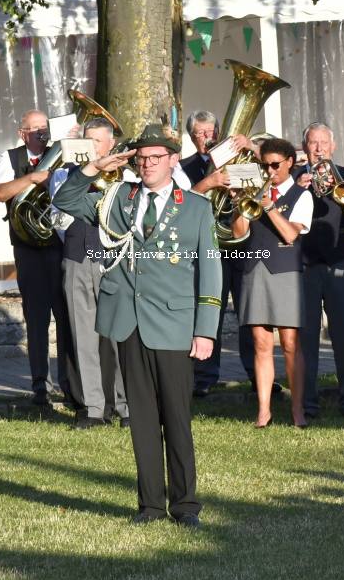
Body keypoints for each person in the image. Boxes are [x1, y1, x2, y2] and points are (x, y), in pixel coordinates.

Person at [52, 122, 222, 529]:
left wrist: (205, 330)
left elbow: (211, 272)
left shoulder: (195, 207)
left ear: (173, 160)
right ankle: (150, 505)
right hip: (129, 323)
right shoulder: (118, 199)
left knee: (176, 418)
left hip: (175, 324)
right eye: (142, 158)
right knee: (142, 420)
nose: (147, 164)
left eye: (156, 157)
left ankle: (185, 505)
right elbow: (65, 198)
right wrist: (95, 167)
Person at [49, 117, 130, 429]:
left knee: (120, 336)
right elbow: (59, 216)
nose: (93, 147)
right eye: (88, 139)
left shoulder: (127, 174)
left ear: (111, 144)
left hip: (115, 259)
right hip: (78, 257)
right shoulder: (64, 173)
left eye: (98, 141)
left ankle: (127, 406)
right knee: (83, 336)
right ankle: (93, 409)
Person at [0, 109, 76, 408]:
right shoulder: (10, 158)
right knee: (37, 320)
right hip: (29, 248)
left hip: (61, 245)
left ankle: (71, 385)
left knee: (67, 318)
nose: (42, 132)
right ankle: (40, 386)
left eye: (45, 127)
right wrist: (31, 179)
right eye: (35, 128)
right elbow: (0, 194)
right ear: (22, 133)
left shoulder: (64, 153)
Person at [292, 122, 344, 418]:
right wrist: (296, 190)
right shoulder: (294, 177)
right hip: (304, 266)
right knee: (306, 338)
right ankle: (307, 402)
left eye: (323, 143)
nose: (319, 149)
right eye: (313, 143)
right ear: (305, 147)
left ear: (333, 146)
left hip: (339, 262)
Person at [231, 137, 313, 428]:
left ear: (290, 162)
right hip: (255, 268)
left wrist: (269, 207)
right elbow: (238, 233)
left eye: (275, 165)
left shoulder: (302, 195)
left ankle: (297, 409)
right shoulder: (254, 191)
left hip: (286, 270)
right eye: (265, 166)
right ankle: (263, 411)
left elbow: (290, 235)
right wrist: (239, 204)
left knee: (290, 343)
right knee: (261, 342)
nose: (270, 171)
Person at [183, 111, 256, 396]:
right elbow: (181, 202)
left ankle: (256, 375)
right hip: (209, 247)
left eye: (212, 131)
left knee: (249, 312)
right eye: (200, 133)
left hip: (242, 243)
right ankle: (204, 376)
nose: (208, 137)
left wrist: (251, 146)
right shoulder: (184, 167)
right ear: (192, 137)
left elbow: (271, 171)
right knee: (210, 310)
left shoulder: (239, 158)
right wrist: (209, 183)